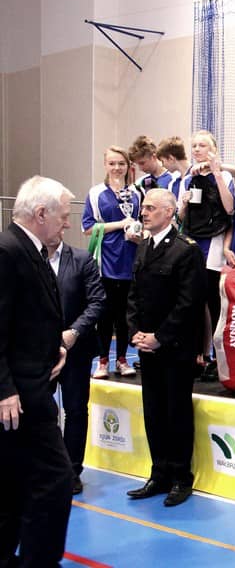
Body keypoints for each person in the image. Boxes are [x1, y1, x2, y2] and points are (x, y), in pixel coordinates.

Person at [0, 176, 73, 567]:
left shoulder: (31, 251)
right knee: (54, 479)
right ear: (41, 213)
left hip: (34, 382)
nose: (67, 223)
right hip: (20, 395)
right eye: (62, 216)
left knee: (14, 482)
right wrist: (4, 390)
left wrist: (54, 347)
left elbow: (27, 318)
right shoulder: (8, 252)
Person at [126, 189, 206, 507]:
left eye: (151, 208)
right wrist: (135, 333)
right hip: (148, 347)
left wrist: (160, 336)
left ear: (169, 212)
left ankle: (180, 477)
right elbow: (134, 295)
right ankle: (158, 474)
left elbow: (189, 303)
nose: (144, 213)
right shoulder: (144, 246)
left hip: (175, 347)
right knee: (154, 412)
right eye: (143, 207)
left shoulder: (187, 251)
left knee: (176, 412)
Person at [48, 235, 105, 495]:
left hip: (77, 350)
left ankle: (72, 471)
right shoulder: (28, 259)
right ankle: (47, 467)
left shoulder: (82, 260)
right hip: (41, 352)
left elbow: (97, 301)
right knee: (41, 411)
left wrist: (75, 331)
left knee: (76, 411)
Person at [178, 130, 235, 377]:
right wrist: (184, 203)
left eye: (203, 145)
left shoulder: (225, 176)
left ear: (213, 149)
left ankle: (217, 356)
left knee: (214, 301)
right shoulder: (187, 179)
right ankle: (198, 355)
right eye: (194, 146)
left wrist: (216, 172)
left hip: (214, 241)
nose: (198, 149)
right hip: (192, 241)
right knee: (193, 301)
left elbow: (230, 208)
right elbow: (180, 216)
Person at [83, 146, 142, 379]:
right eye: (112, 163)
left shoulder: (136, 193)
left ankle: (122, 360)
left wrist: (137, 232)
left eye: (121, 163)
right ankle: (103, 361)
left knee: (125, 315)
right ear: (105, 165)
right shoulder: (96, 193)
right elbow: (88, 227)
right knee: (105, 315)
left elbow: (142, 222)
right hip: (106, 261)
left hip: (130, 260)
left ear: (128, 166)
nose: (117, 168)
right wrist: (119, 224)